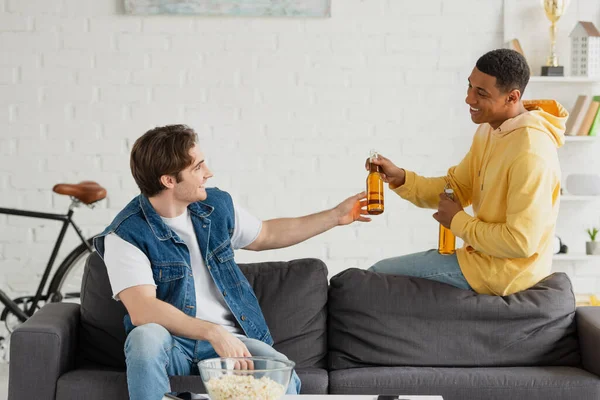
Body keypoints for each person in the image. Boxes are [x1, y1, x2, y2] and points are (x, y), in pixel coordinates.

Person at [93, 124, 370, 400]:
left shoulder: (214, 207)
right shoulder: (126, 234)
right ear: (169, 181)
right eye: (198, 167)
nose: (208, 173)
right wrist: (212, 332)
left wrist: (335, 216)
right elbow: (143, 309)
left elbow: (267, 234)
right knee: (145, 337)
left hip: (231, 345)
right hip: (173, 345)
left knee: (280, 374)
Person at [367, 48, 568, 296]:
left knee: (374, 276)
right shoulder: (490, 131)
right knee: (373, 277)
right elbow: (456, 187)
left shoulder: (532, 152)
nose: (469, 99)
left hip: (506, 275)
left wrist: (457, 221)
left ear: (512, 98)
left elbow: (521, 242)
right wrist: (401, 178)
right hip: (479, 260)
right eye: (470, 87)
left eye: (481, 93)